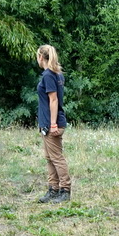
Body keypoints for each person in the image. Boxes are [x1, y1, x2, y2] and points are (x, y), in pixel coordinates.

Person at [35, 44, 71, 203]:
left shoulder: (49, 75)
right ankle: (53, 189)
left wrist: (53, 124)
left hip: (52, 123)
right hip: (47, 123)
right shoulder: (57, 74)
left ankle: (65, 190)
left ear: (41, 57)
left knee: (56, 157)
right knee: (49, 157)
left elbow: (54, 99)